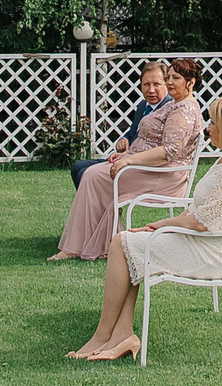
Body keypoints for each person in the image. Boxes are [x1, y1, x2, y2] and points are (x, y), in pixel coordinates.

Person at [67, 95, 222, 362]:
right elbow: (199, 212)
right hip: (202, 241)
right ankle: (121, 334)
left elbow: (202, 222)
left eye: (214, 123)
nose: (208, 128)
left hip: (214, 253)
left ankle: (105, 335)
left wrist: (161, 224)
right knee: (126, 243)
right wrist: (159, 229)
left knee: (122, 244)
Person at [51, 58, 204, 261]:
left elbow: (168, 151)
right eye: (168, 77)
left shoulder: (185, 110)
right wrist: (126, 155)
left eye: (175, 78)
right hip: (148, 168)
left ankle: (81, 247)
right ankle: (96, 243)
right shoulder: (176, 105)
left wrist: (129, 161)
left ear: (190, 83)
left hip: (164, 176)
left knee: (92, 176)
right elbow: (151, 140)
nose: (169, 82)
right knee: (91, 174)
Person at [72, 61, 166, 189]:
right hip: (125, 156)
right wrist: (124, 138)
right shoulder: (143, 106)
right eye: (146, 85)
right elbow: (133, 132)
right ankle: (102, 207)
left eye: (156, 84)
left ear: (166, 84)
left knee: (84, 173)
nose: (151, 90)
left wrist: (128, 155)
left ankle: (105, 206)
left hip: (140, 165)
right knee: (77, 168)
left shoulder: (168, 110)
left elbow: (159, 146)